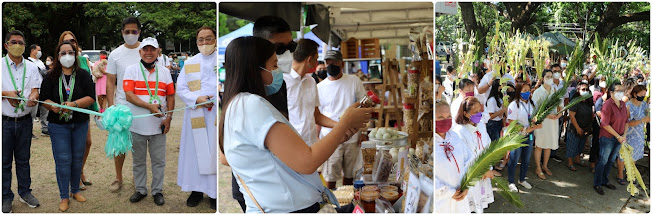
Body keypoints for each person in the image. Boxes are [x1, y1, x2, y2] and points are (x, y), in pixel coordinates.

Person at [219, 36, 371, 213]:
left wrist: (339, 131)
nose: (278, 71)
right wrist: (344, 123)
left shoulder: (236, 104)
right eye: (274, 65)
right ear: (255, 70)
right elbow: (307, 161)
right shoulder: (251, 105)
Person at [222, 15, 295, 212]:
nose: (286, 54)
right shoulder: (242, 99)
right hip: (259, 191)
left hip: (281, 187)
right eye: (280, 49)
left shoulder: (277, 84)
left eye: (291, 47)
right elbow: (224, 155)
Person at [40, 41, 95, 212]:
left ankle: (75, 190)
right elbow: (44, 99)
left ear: (75, 55)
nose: (67, 56)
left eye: (70, 52)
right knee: (63, 160)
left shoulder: (84, 75)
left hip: (80, 123)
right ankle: (64, 195)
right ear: (57, 56)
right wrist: (52, 106)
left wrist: (74, 104)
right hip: (58, 125)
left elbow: (91, 97)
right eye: (63, 53)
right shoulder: (50, 76)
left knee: (77, 158)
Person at [122, 37, 175, 205]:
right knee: (138, 161)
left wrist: (169, 118)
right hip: (136, 126)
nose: (149, 52)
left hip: (158, 126)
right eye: (145, 49)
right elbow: (129, 95)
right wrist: (149, 107)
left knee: (159, 161)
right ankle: (140, 189)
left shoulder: (165, 72)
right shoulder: (131, 70)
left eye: (152, 49)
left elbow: (171, 96)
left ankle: (157, 191)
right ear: (140, 52)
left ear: (158, 51)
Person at [176, 26, 217, 209]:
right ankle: (196, 190)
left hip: (216, 113)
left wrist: (214, 99)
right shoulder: (191, 62)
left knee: (214, 151)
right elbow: (181, 88)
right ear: (196, 41)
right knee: (195, 152)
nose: (205, 43)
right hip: (196, 113)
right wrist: (197, 99)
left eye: (208, 39)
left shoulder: (224, 61)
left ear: (215, 39)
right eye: (201, 39)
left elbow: (229, 82)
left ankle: (214, 193)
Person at [2, 30, 42, 213]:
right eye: (13, 42)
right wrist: (5, 95)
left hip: (25, 121)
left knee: (23, 160)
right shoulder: (0, 66)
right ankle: (5, 197)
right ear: (6, 45)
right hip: (5, 122)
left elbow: (35, 89)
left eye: (21, 42)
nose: (17, 45)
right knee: (4, 162)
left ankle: (25, 192)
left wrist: (34, 97)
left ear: (25, 46)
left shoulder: (32, 67)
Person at [317, 50, 366, 189]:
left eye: (335, 62)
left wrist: (363, 132)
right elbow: (317, 115)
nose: (331, 65)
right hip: (330, 137)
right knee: (330, 177)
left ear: (342, 64)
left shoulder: (354, 81)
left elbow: (363, 105)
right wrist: (317, 137)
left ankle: (348, 204)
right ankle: (332, 205)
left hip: (352, 137)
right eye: (328, 62)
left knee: (350, 176)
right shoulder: (319, 87)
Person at [58, 31, 98, 190]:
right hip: (64, 110)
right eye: (66, 41)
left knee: (86, 143)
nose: (70, 43)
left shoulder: (83, 61)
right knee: (70, 146)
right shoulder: (58, 61)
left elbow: (90, 85)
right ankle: (74, 177)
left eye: (72, 40)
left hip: (82, 108)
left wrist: (94, 109)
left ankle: (79, 171)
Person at [105, 16, 142, 192]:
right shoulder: (115, 54)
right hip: (121, 107)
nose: (130, 34)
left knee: (139, 143)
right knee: (119, 143)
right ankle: (118, 177)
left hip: (143, 106)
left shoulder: (147, 50)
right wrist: (111, 106)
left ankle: (137, 176)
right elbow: (110, 81)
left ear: (139, 32)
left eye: (133, 31)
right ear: (122, 33)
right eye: (127, 32)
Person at [283, 39, 337, 146]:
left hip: (311, 144)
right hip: (291, 146)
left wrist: (340, 125)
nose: (317, 62)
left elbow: (316, 115)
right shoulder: (283, 82)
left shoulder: (311, 82)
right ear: (309, 60)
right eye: (316, 58)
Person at [452, 97, 496, 212]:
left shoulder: (481, 125)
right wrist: (481, 170)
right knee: (471, 206)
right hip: (471, 175)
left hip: (484, 173)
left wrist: (488, 167)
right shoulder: (460, 131)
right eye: (475, 112)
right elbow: (466, 157)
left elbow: (488, 146)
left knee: (481, 204)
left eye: (480, 111)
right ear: (466, 114)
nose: (479, 114)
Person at [435, 101, 472, 213]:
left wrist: (467, 184)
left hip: (461, 197)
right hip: (441, 201)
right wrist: (449, 192)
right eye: (440, 117)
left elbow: (469, 160)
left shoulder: (455, 137)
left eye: (448, 116)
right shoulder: (430, 144)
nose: (445, 120)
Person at [506, 81, 543, 192]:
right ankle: (511, 181)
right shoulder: (514, 105)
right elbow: (512, 123)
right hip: (517, 135)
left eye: (528, 90)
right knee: (514, 159)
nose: (527, 93)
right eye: (524, 91)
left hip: (529, 135)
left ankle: (522, 179)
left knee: (526, 159)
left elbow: (535, 117)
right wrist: (527, 129)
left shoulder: (532, 103)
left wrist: (535, 123)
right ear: (518, 91)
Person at [593, 82, 628, 195]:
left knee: (611, 160)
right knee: (603, 160)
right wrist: (618, 136)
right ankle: (597, 183)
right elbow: (605, 124)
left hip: (619, 138)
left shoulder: (623, 104)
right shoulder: (607, 105)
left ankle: (605, 180)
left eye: (622, 91)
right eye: (618, 91)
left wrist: (624, 135)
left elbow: (626, 121)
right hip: (608, 138)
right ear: (611, 92)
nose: (621, 93)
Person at [531, 70, 563, 179]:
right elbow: (535, 110)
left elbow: (560, 104)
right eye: (547, 76)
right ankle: (538, 168)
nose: (549, 78)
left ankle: (545, 166)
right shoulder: (538, 92)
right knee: (539, 145)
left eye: (551, 76)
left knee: (549, 145)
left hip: (553, 122)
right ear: (543, 78)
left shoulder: (555, 90)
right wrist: (548, 115)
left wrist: (559, 114)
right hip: (542, 122)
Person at [616, 85, 649, 184]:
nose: (643, 96)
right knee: (623, 155)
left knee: (634, 155)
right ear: (634, 94)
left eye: (644, 94)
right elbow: (627, 123)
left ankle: (630, 174)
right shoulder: (628, 105)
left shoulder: (643, 104)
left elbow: (647, 114)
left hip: (639, 134)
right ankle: (620, 174)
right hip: (628, 133)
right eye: (641, 94)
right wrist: (642, 120)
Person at [566, 82, 593, 170]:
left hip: (585, 128)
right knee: (572, 145)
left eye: (587, 90)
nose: (585, 91)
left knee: (580, 145)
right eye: (583, 89)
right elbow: (571, 115)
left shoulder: (589, 101)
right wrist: (577, 128)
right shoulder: (575, 101)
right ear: (578, 90)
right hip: (574, 128)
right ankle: (570, 162)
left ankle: (577, 159)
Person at [28, 44, 49, 137]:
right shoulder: (27, 62)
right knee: (32, 111)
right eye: (38, 50)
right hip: (33, 90)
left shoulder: (40, 62)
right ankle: (29, 130)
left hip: (43, 89)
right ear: (33, 51)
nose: (40, 52)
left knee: (45, 110)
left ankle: (45, 129)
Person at [549, 64, 565, 163]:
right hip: (550, 114)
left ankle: (553, 153)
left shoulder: (563, 84)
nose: (557, 73)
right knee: (548, 134)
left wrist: (564, 112)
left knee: (557, 134)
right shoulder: (549, 83)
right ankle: (544, 154)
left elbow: (565, 99)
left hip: (560, 112)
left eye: (558, 71)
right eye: (554, 71)